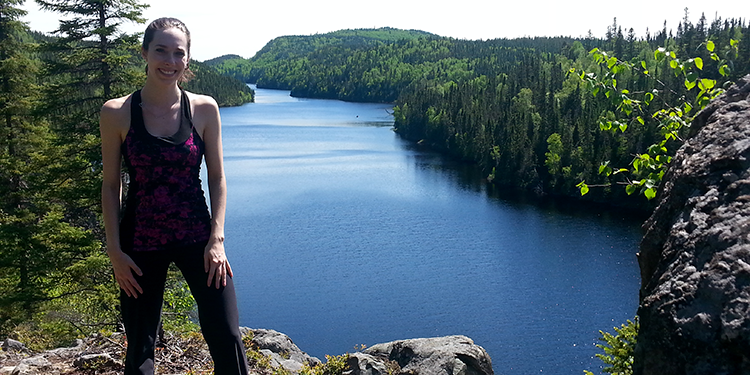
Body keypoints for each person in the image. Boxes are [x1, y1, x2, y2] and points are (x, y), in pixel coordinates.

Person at [99, 17, 249, 375]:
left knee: (226, 336)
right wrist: (115, 251)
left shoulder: (203, 109)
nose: (169, 61)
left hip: (197, 237)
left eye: (178, 53)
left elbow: (218, 176)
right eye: (161, 51)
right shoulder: (117, 113)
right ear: (145, 53)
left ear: (187, 59)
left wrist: (217, 238)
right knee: (140, 348)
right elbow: (109, 184)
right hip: (140, 242)